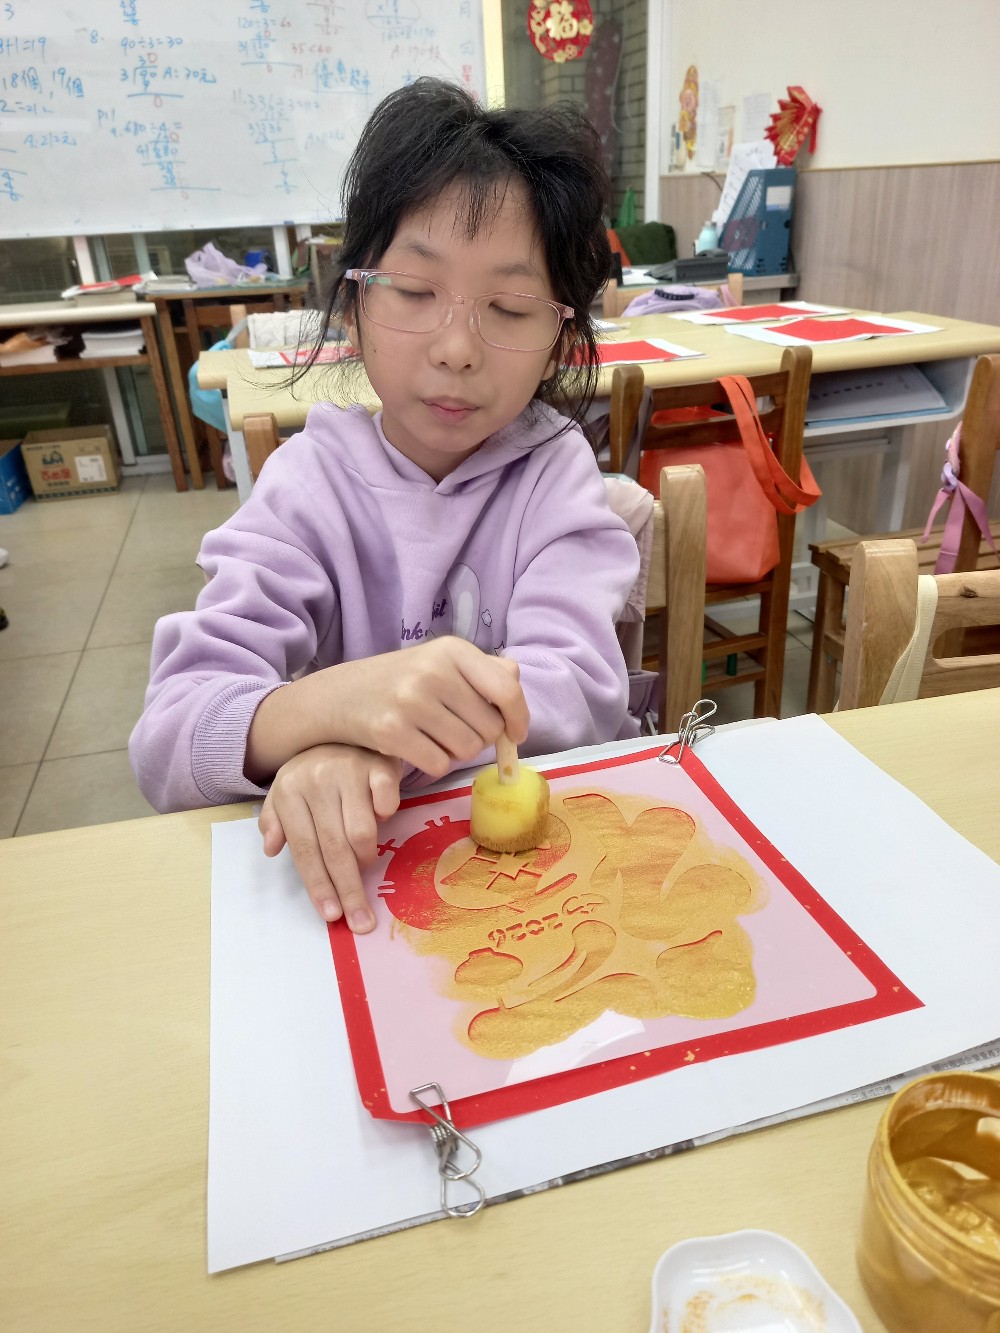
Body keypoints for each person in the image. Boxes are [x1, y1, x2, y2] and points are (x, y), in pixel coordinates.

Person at [129, 78, 639, 933]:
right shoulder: (309, 484)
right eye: (412, 290)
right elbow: (170, 735)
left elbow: (580, 695)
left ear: (560, 334)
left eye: (511, 307)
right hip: (356, 896)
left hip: (527, 892)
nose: (456, 348)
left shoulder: (556, 477)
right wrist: (317, 719)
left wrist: (370, 749)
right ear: (356, 299)